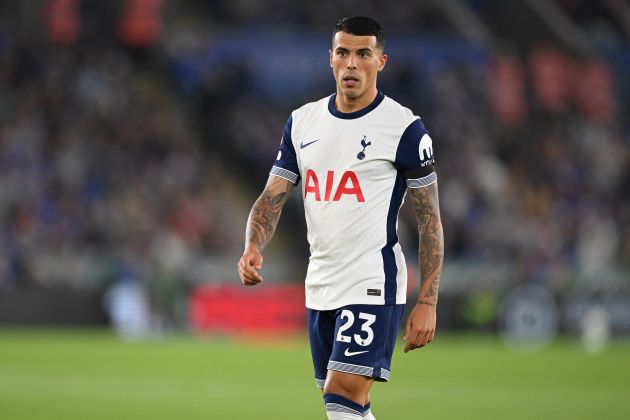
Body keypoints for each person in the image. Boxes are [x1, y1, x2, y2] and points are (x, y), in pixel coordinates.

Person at [237, 15, 444, 420]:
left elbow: (430, 220)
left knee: (342, 393)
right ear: (330, 58)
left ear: (381, 61)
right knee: (351, 404)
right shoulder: (302, 122)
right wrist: (252, 245)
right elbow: (271, 196)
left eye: (363, 54)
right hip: (321, 283)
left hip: (372, 280)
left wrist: (428, 301)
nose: (352, 63)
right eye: (343, 53)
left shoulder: (404, 128)